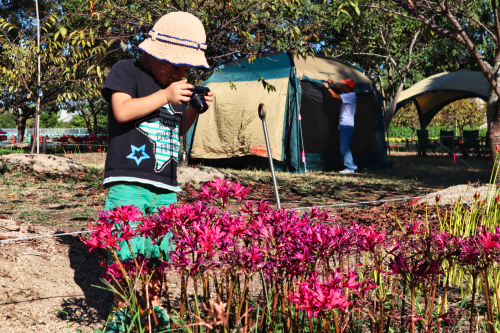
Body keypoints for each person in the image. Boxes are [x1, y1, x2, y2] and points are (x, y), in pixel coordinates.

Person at [100, 11, 213, 332]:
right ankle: (120, 311)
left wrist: (193, 107)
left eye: (186, 67)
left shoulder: (177, 86)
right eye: (174, 64)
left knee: (159, 251)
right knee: (126, 248)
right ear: (152, 53)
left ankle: (153, 308)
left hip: (165, 182)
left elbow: (179, 128)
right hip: (128, 178)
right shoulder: (126, 71)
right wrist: (164, 95)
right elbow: (122, 111)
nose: (179, 72)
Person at [322, 77, 358, 174]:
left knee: (344, 148)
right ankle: (353, 165)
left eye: (344, 85)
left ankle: (350, 168)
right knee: (346, 147)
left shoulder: (349, 96)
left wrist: (327, 87)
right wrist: (333, 82)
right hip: (347, 126)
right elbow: (339, 90)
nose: (342, 85)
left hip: (346, 126)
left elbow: (334, 95)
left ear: (348, 88)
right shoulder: (349, 94)